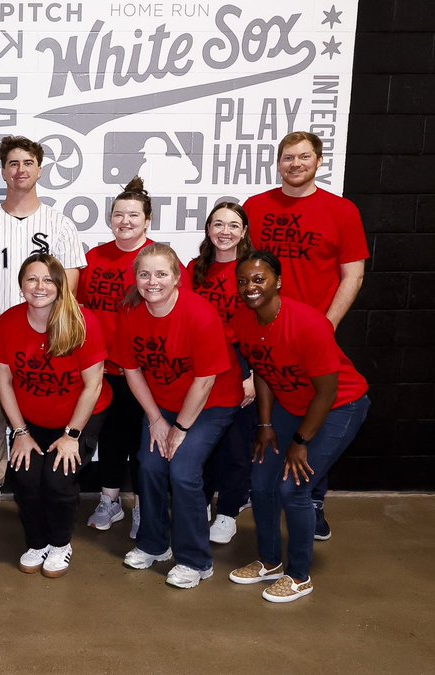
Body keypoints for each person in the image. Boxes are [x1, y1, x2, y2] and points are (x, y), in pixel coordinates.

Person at [243, 131, 370, 540]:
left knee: (318, 404)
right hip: (266, 333)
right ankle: (287, 501)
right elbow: (245, 270)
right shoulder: (256, 207)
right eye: (287, 157)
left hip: (312, 333)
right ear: (277, 163)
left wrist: (326, 324)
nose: (294, 164)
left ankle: (312, 501)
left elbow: (353, 273)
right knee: (279, 410)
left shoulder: (342, 210)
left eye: (303, 157)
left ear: (318, 161)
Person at [229, 251, 370, 602]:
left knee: (294, 489)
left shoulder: (309, 324)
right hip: (291, 407)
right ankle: (270, 561)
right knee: (261, 482)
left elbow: (327, 391)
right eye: (243, 281)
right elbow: (261, 370)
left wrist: (301, 441)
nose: (250, 287)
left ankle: (299, 575)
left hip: (339, 407)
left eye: (259, 279)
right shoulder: (244, 320)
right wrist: (264, 423)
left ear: (278, 282)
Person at [0, 135, 87, 522]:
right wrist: (5, 324)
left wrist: (37, 327)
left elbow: (69, 285)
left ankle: (39, 485)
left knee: (41, 418)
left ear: (39, 169)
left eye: (28, 163)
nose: (20, 170)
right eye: (13, 163)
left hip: (48, 345)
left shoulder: (59, 224)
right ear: (3, 171)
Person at [114, 244, 245, 589]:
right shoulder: (130, 311)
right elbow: (131, 369)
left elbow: (205, 381)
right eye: (144, 274)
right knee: (151, 464)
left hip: (211, 402)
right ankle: (154, 544)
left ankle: (195, 560)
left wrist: (181, 428)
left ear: (176, 278)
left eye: (160, 274)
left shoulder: (198, 313)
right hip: (164, 403)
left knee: (184, 470)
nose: (151, 281)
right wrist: (157, 419)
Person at [0, 254, 110, 577]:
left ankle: (60, 543)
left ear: (60, 286)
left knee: (57, 480)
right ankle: (37, 542)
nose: (39, 286)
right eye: (32, 279)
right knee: (26, 476)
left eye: (47, 280)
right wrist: (19, 432)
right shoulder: (8, 323)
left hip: (78, 418)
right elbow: (3, 382)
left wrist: (72, 436)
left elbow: (93, 385)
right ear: (21, 286)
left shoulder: (82, 322)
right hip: (30, 422)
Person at [76, 177, 156, 538]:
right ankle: (110, 500)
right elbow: (80, 310)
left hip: (143, 372)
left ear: (147, 221)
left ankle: (141, 506)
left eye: (133, 215)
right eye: (118, 214)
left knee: (142, 443)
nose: (125, 221)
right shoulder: (94, 257)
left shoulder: (158, 258)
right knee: (109, 440)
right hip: (101, 370)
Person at [184, 202, 256, 545]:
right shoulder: (195, 269)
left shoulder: (253, 270)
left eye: (232, 225)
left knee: (236, 445)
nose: (224, 231)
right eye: (217, 224)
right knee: (203, 443)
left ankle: (228, 511)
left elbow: (263, 324)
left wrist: (253, 374)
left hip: (240, 365)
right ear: (208, 229)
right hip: (200, 368)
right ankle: (199, 505)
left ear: (243, 232)